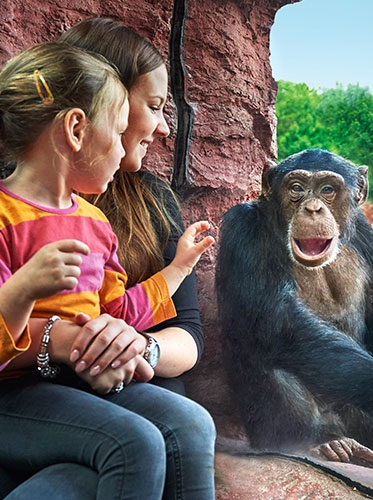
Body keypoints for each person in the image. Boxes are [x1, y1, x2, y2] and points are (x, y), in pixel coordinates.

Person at [0, 39, 215, 500]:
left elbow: (116, 311)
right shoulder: (4, 215)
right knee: (133, 442)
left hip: (76, 384)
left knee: (193, 422)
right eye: (118, 133)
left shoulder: (96, 223)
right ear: (76, 129)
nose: (125, 149)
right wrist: (21, 289)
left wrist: (175, 271)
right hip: (13, 393)